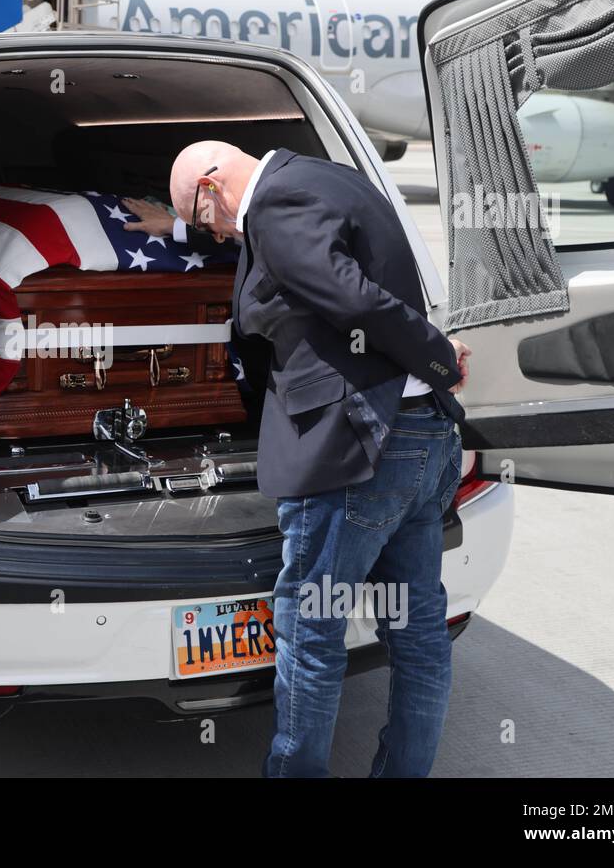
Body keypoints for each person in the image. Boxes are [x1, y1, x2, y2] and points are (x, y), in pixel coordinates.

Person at [167, 140, 472, 778]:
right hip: (423, 440)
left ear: (213, 185)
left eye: (204, 220)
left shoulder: (273, 207)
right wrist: (432, 370)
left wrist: (438, 356)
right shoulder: (327, 178)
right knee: (416, 632)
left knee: (311, 635)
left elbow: (353, 299)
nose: (216, 236)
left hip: (355, 452)